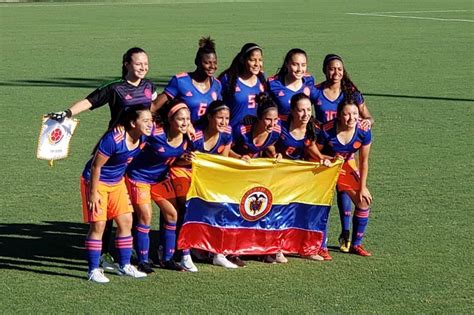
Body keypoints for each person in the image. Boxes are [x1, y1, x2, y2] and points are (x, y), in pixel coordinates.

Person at [48, 47, 157, 270]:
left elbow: (152, 111)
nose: (143, 68)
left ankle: (130, 248)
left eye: (146, 64)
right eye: (138, 64)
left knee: (133, 204)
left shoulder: (149, 87)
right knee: (105, 211)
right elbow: (90, 101)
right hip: (114, 150)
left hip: (137, 151)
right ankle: (103, 254)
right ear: (127, 64)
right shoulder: (115, 87)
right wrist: (68, 113)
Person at [312, 54, 374, 257]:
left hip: (347, 157)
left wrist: (367, 121)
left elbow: (368, 117)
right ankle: (321, 245)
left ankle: (351, 239)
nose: (336, 72)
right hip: (325, 160)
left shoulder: (351, 93)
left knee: (357, 197)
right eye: (332, 68)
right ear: (325, 70)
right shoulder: (317, 91)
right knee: (323, 202)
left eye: (339, 68)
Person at [81, 105, 152, 283]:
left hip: (117, 182)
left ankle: (125, 265)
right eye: (145, 120)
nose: (150, 124)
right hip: (96, 182)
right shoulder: (114, 139)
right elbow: (96, 166)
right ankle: (93, 270)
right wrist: (93, 193)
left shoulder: (143, 138)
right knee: (99, 225)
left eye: (151, 120)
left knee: (126, 221)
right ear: (132, 123)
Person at [125, 100, 193, 272]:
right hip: (138, 178)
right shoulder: (155, 132)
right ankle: (142, 260)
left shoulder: (187, 137)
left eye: (187, 119)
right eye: (180, 119)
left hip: (160, 179)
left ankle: (167, 258)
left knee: (172, 214)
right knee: (145, 216)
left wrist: (182, 160)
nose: (184, 123)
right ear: (170, 120)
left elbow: (171, 158)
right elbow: (133, 134)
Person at [271, 93, 332, 261]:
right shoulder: (280, 125)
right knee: (280, 211)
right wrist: (274, 154)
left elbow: (311, 146)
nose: (305, 115)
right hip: (278, 176)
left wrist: (321, 159)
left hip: (300, 176)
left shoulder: (313, 127)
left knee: (304, 210)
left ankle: (308, 248)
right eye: (300, 111)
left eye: (308, 110)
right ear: (292, 111)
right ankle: (277, 248)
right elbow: (268, 143)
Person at [229, 93, 285, 265]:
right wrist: (239, 157)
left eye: (275, 119)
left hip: (253, 174)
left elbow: (268, 144)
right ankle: (233, 251)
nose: (273, 123)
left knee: (258, 209)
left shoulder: (275, 131)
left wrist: (275, 155)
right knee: (236, 211)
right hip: (234, 172)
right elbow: (224, 148)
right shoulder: (241, 130)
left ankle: (258, 249)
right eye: (268, 119)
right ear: (259, 118)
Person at [183, 100, 237, 269]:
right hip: (189, 178)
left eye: (227, 118)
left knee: (224, 206)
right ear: (209, 117)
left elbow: (224, 161)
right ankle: (191, 248)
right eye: (220, 118)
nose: (224, 122)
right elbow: (180, 158)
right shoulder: (195, 136)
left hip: (211, 179)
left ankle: (218, 252)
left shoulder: (227, 133)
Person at [151, 37, 221, 123]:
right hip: (182, 132)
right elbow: (155, 105)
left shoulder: (217, 85)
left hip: (205, 135)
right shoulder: (180, 81)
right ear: (197, 62)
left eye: (215, 62)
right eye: (207, 63)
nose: (212, 66)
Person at [218, 43, 266, 128]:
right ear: (243, 60)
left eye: (260, 60)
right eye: (253, 60)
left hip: (254, 134)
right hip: (232, 134)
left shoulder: (262, 79)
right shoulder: (228, 79)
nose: (257, 64)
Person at [267, 48, 315, 121]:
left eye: (303, 65)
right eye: (295, 64)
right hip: (281, 130)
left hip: (303, 128)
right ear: (287, 64)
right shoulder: (273, 83)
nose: (300, 69)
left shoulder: (309, 81)